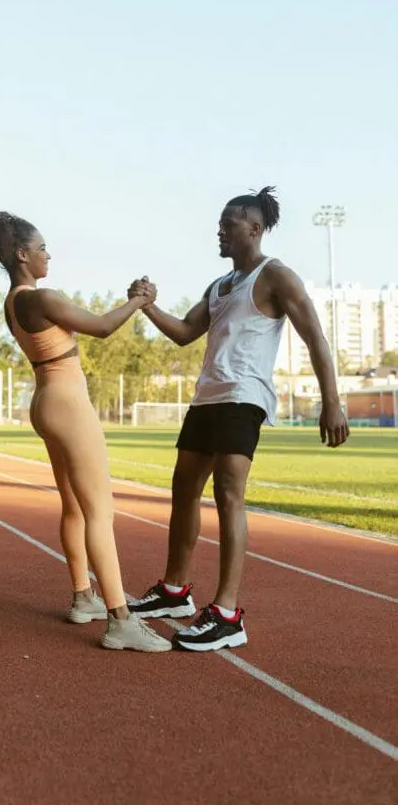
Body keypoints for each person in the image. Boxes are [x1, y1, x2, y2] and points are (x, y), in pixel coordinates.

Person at [128, 187, 349, 651]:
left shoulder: (277, 277)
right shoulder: (220, 285)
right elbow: (187, 333)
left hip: (243, 395)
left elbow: (316, 338)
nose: (220, 230)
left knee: (228, 492)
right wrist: (147, 305)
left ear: (254, 228)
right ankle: (174, 590)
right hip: (208, 396)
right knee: (183, 488)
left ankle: (227, 613)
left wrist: (333, 401)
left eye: (229, 223)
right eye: (220, 223)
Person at [0, 210, 171, 652]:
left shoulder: (13, 301)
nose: (48, 256)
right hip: (68, 405)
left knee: (75, 507)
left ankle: (84, 597)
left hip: (46, 402)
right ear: (22, 254)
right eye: (41, 249)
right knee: (100, 512)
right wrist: (140, 300)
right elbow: (101, 326)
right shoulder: (39, 297)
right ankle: (120, 620)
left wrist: (134, 301)